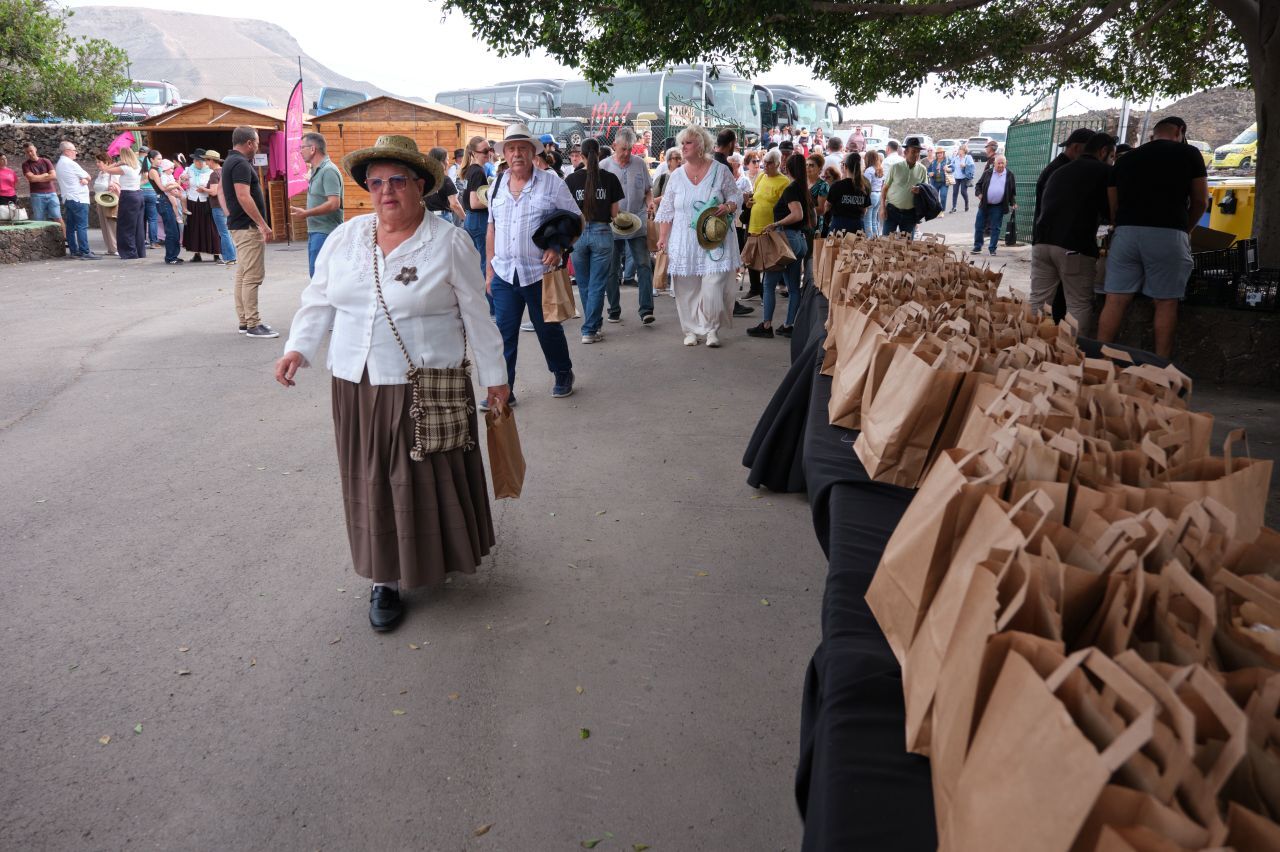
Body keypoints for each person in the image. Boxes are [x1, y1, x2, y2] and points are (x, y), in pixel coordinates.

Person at [274, 135, 509, 633]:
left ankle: (431, 557)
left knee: (419, 480)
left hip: (421, 384)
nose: (385, 192)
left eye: (397, 181)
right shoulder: (347, 237)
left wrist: (496, 379)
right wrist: (298, 347)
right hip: (354, 383)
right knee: (370, 481)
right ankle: (385, 577)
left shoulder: (447, 242)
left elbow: (477, 314)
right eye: (376, 182)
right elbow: (319, 298)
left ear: (421, 186)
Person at [1096, 116, 1208, 360]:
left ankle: (1099, 361)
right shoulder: (1189, 154)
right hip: (1168, 234)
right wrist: (1184, 228)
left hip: (1126, 233)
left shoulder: (1125, 160)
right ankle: (1159, 367)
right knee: (1165, 302)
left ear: (1153, 135)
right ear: (1180, 131)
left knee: (1115, 299)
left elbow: (1113, 204)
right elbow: (1201, 201)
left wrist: (1121, 224)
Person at [485, 123, 581, 401]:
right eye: (511, 148)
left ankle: (563, 373)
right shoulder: (497, 185)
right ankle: (505, 390)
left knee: (547, 329)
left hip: (539, 273)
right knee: (504, 335)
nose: (517, 154)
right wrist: (489, 271)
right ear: (505, 153)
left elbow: (576, 219)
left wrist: (559, 247)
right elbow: (492, 227)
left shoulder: (551, 183)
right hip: (504, 273)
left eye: (522, 149)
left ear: (532, 152)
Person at [654, 125, 743, 348]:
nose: (683, 147)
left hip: (715, 238)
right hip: (684, 239)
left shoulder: (720, 170)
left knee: (713, 284)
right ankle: (691, 329)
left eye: (688, 143)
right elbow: (666, 210)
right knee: (686, 287)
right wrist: (663, 238)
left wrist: (728, 206)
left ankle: (711, 329)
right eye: (682, 143)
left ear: (701, 146)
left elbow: (736, 195)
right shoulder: (675, 176)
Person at [1030, 132, 1115, 336]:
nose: (1113, 162)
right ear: (1103, 151)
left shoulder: (1059, 170)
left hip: (1042, 243)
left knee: (1039, 300)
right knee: (1078, 303)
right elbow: (1111, 212)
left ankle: (1030, 346)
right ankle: (1073, 355)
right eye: (1112, 156)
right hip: (1073, 246)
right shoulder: (1104, 172)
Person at [566, 138, 623, 342]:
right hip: (602, 232)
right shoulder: (610, 179)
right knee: (598, 283)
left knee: (584, 284)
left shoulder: (571, 180)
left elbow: (566, 211)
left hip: (578, 235)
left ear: (581, 155)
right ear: (599, 155)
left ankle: (593, 325)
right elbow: (615, 213)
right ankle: (590, 329)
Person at [747, 152, 810, 339]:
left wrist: (776, 224)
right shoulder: (802, 188)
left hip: (786, 239)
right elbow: (809, 216)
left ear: (786, 167)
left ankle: (766, 325)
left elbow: (797, 214)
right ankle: (789, 324)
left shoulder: (791, 189)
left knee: (768, 284)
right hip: (799, 240)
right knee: (792, 287)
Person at [224, 126, 276, 337]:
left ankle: (245, 321)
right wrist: (262, 224)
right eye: (256, 142)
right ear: (249, 143)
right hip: (247, 227)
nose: (258, 146)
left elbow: (224, 193)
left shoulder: (230, 161)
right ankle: (253, 324)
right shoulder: (241, 164)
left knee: (243, 274)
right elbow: (244, 196)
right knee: (253, 275)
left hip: (239, 224)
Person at [601, 127, 655, 325]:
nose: (626, 153)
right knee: (612, 269)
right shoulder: (604, 166)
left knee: (643, 264)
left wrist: (650, 202)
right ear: (614, 145)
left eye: (630, 149)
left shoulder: (640, 163)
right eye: (623, 149)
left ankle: (646, 309)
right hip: (613, 224)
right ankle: (613, 309)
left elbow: (648, 189)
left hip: (637, 222)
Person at [290, 132, 344, 277]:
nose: (300, 151)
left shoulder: (328, 170)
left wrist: (306, 213)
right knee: (318, 277)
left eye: (303, 148)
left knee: (320, 278)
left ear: (313, 149)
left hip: (325, 232)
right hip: (316, 231)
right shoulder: (316, 170)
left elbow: (334, 203)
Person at [55, 141, 99, 259]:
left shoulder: (59, 164)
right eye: (74, 150)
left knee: (71, 226)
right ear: (67, 151)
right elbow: (88, 176)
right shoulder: (71, 164)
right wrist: (85, 180)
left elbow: (85, 178)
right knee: (81, 226)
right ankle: (85, 251)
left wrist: (84, 179)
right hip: (78, 198)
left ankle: (74, 250)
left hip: (68, 198)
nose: (76, 152)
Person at [457, 136, 492, 282]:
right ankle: (486, 298)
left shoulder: (471, 170)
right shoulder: (478, 171)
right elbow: (474, 203)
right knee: (485, 261)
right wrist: (495, 201)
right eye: (485, 151)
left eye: (489, 150)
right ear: (474, 153)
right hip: (478, 219)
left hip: (471, 219)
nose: (488, 153)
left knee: (475, 261)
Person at [880, 137, 927, 237]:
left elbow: (926, 189)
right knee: (886, 243)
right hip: (892, 211)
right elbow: (884, 189)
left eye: (918, 152)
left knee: (907, 246)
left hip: (910, 214)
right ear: (905, 153)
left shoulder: (922, 169)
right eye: (913, 151)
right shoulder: (896, 167)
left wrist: (920, 190)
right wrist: (882, 208)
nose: (916, 155)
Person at [103, 147, 144, 260]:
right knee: (138, 225)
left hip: (128, 196)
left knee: (126, 225)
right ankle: (139, 251)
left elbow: (105, 169)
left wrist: (116, 163)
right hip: (138, 194)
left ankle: (129, 252)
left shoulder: (124, 168)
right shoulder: (137, 167)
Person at [973, 154, 1017, 256]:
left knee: (995, 228)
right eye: (999, 163)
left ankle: (992, 248)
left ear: (1006, 163)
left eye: (1003, 163)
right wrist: (979, 194)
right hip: (985, 204)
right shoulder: (988, 173)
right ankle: (977, 247)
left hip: (998, 206)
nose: (1001, 165)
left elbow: (1011, 191)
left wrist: (1013, 202)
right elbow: (978, 185)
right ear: (994, 163)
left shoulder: (1010, 175)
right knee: (979, 225)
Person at [182, 151, 221, 263]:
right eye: (194, 160)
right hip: (193, 201)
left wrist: (204, 188)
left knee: (210, 227)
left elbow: (214, 186)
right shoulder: (189, 169)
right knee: (194, 227)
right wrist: (183, 179)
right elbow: (182, 180)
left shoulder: (210, 171)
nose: (195, 162)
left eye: (198, 160)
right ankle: (196, 253)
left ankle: (216, 253)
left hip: (206, 201)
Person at [202, 150, 236, 266]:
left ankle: (229, 258)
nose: (206, 163)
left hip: (217, 206)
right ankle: (233, 256)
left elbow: (214, 192)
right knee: (228, 232)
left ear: (211, 160)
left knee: (224, 233)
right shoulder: (225, 172)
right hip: (227, 205)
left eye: (207, 160)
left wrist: (203, 189)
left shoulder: (214, 174)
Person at [825, 153, 871, 235]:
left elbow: (827, 206)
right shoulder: (865, 186)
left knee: (834, 247)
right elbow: (864, 210)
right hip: (857, 226)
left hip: (839, 226)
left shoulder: (837, 185)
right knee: (855, 248)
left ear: (845, 166)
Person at [804, 153, 829, 288]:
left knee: (809, 257)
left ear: (820, 168)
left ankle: (808, 285)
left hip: (813, 225)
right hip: (799, 223)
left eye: (812, 165)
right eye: (807, 165)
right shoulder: (802, 183)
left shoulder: (823, 185)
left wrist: (804, 208)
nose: (808, 168)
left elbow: (821, 209)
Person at [23, 142, 62, 229]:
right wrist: (45, 175)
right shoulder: (26, 164)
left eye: (31, 151)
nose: (30, 153)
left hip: (51, 193)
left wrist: (36, 177)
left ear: (35, 149)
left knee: (57, 217)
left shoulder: (46, 161)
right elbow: (31, 179)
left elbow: (53, 176)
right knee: (39, 219)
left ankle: (65, 239)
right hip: (36, 195)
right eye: (27, 152)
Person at [424, 146, 465, 225]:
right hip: (443, 218)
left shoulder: (424, 179)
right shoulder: (445, 180)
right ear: (441, 161)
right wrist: (465, 219)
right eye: (447, 159)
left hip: (427, 218)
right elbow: (454, 204)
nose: (448, 162)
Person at [92, 151, 119, 256]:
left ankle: (116, 247)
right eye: (97, 162)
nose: (97, 164)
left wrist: (113, 187)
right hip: (100, 202)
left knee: (112, 225)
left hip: (109, 202)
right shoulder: (100, 173)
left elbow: (118, 186)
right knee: (104, 225)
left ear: (106, 162)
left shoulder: (112, 173)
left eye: (99, 162)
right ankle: (110, 248)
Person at [862, 149, 885, 237]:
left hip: (871, 195)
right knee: (874, 220)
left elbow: (866, 185)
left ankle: (869, 240)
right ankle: (876, 239)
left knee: (868, 221)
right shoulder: (879, 169)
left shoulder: (869, 170)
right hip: (878, 194)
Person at [949, 143, 975, 212]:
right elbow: (951, 165)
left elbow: (972, 166)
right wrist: (948, 167)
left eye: (961, 150)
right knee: (955, 192)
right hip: (956, 177)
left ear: (964, 151)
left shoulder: (968, 157)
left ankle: (966, 204)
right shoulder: (955, 157)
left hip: (964, 177)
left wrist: (965, 165)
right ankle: (954, 207)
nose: (959, 151)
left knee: (963, 192)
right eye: (959, 149)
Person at [926, 147, 951, 216]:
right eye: (938, 153)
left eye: (941, 153)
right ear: (936, 154)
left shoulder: (947, 161)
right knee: (934, 197)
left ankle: (942, 210)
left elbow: (953, 167)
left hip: (944, 182)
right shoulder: (933, 162)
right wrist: (929, 173)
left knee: (943, 195)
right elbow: (928, 170)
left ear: (943, 153)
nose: (939, 154)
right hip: (934, 182)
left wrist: (949, 169)